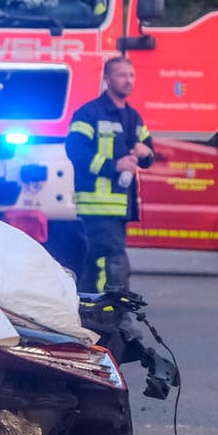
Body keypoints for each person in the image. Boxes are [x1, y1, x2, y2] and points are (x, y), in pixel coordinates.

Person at [65, 55, 154, 292]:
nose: (128, 81)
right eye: (122, 75)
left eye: (131, 75)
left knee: (97, 264)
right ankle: (116, 321)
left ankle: (86, 314)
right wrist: (113, 165)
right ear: (107, 78)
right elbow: (75, 150)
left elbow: (149, 153)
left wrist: (145, 153)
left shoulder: (133, 117)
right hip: (97, 203)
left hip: (121, 204)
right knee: (114, 262)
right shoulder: (89, 114)